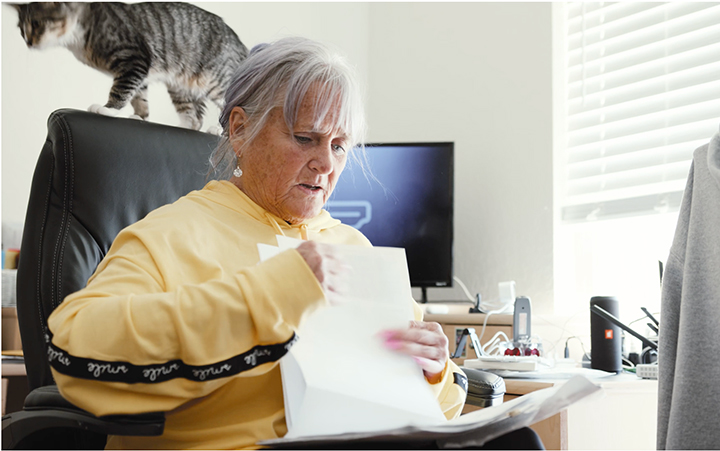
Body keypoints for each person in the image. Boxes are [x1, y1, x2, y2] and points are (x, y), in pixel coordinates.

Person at [47, 37, 542, 450]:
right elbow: (76, 351)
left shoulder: (353, 246)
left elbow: (440, 408)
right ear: (240, 130)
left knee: (518, 441)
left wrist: (435, 373)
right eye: (305, 138)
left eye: (339, 145)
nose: (326, 164)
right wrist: (269, 296)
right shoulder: (170, 234)